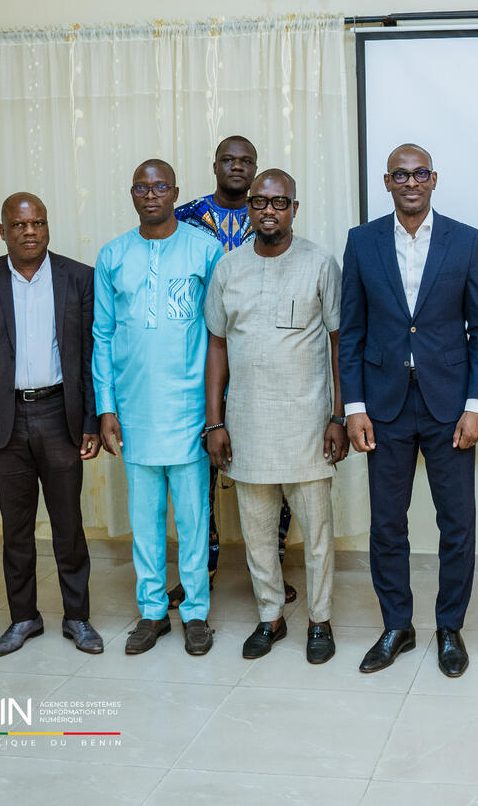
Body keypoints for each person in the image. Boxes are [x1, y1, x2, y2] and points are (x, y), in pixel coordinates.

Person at [341, 144, 478, 677]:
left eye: (420, 173)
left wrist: (477, 405)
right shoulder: (362, 242)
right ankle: (397, 626)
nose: (411, 182)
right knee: (387, 524)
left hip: (449, 406)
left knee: (457, 523)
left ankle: (449, 627)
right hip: (383, 406)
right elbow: (351, 332)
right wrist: (354, 406)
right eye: (401, 175)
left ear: (434, 179)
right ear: (387, 182)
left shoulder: (466, 240)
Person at [203, 169, 347, 664]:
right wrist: (215, 422)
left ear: (293, 209)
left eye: (279, 202)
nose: (269, 210)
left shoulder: (320, 263)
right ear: (249, 208)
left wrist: (338, 415)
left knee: (318, 535)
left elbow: (339, 344)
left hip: (308, 424)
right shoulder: (229, 268)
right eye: (260, 201)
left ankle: (320, 620)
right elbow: (217, 346)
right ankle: (271, 617)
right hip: (247, 424)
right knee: (258, 532)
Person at [0, 193, 104, 656]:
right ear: (3, 231)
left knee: (69, 525)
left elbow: (90, 357)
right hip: (6, 422)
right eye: (19, 225)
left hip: (61, 415)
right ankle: (24, 617)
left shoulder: (78, 277)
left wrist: (91, 421)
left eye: (38, 223)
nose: (30, 232)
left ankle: (77, 617)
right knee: (16, 529)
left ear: (47, 227)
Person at [93, 159, 223, 656]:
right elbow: (102, 336)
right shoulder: (113, 256)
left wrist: (217, 413)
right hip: (134, 412)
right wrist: (106, 407)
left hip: (190, 410)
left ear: (175, 192)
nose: (151, 195)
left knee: (193, 520)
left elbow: (220, 336)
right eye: (142, 188)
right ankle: (151, 612)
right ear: (132, 194)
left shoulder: (205, 251)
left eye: (160, 186)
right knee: (144, 521)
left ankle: (195, 612)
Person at [171, 135, 296, 609]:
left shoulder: (270, 214)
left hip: (258, 364)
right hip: (197, 361)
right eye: (229, 159)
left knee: (271, 473)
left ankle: (270, 570)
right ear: (215, 165)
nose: (237, 167)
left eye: (247, 161)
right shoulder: (184, 217)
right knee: (197, 480)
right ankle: (199, 572)